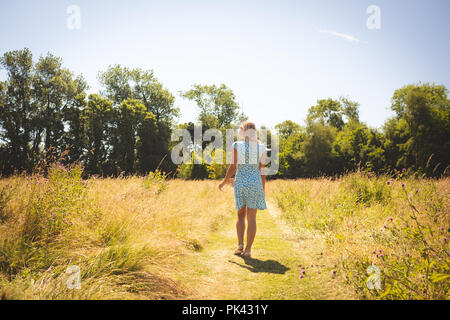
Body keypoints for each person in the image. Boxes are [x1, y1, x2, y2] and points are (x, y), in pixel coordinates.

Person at [218, 121, 267, 258]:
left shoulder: (237, 145)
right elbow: (262, 170)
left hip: (241, 183)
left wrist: (224, 181)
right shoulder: (261, 147)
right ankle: (248, 250)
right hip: (255, 183)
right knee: (252, 217)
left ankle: (240, 245)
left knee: (240, 215)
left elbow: (233, 167)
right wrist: (262, 189)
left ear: (244, 131)